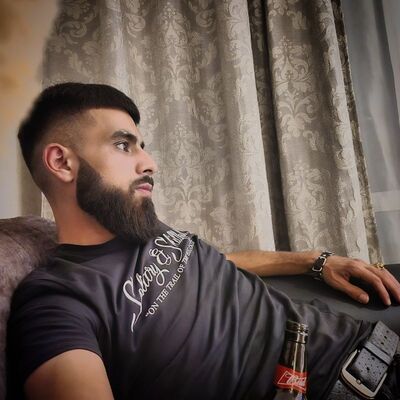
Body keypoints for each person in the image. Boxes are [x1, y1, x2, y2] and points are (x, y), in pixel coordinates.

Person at [6, 82, 400, 400]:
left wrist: (314, 261)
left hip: (376, 341)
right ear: (62, 162)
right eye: (123, 145)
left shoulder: (143, 230)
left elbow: (216, 262)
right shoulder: (56, 301)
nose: (149, 163)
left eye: (142, 146)